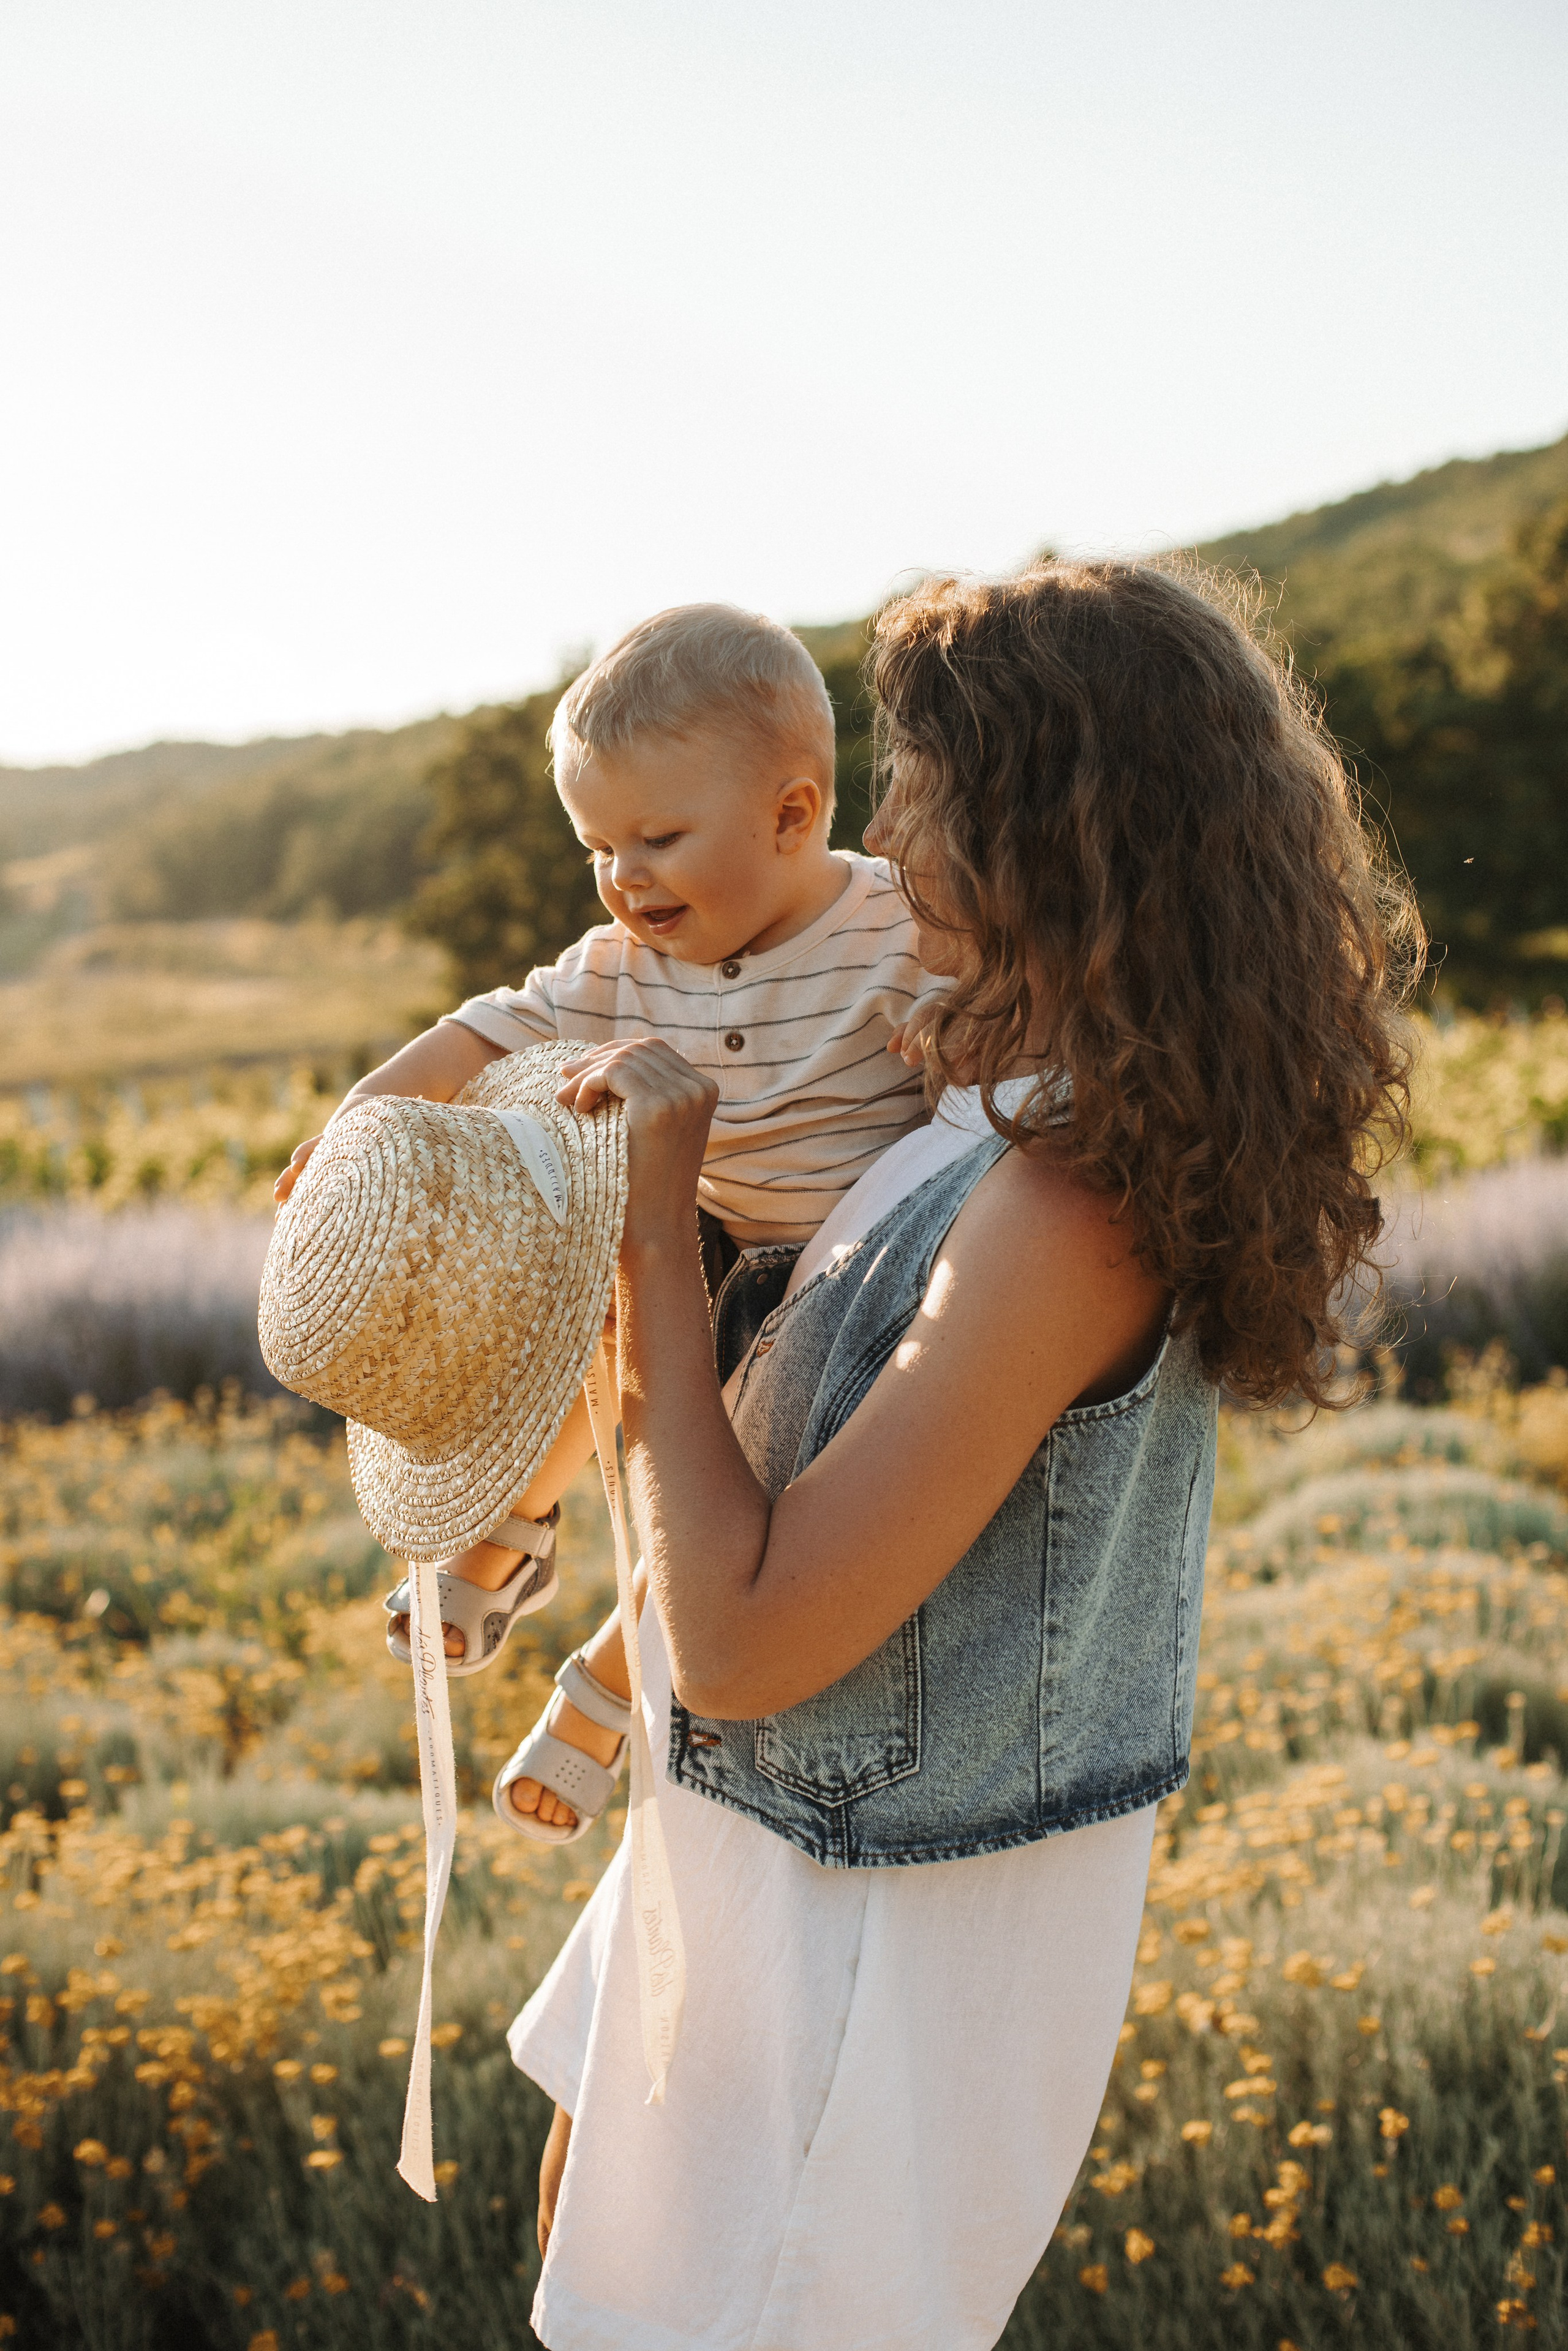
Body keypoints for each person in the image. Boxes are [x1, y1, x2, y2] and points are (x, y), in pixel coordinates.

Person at [505, 559, 1422, 2349]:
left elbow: (761, 1635)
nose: (882, 843)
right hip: (754, 1853)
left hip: (870, 1950)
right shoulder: (973, 1109)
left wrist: (652, 1251)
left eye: (919, 794)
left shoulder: (1071, 1207)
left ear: (1034, 831)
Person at [273, 604, 943, 1839]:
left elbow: (998, 1049)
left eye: (657, 838)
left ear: (792, 816)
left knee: (752, 1486)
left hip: (856, 1287)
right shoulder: (618, 968)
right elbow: (481, 1030)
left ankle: (605, 1682)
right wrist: (360, 1122)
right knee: (589, 1297)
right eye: (597, 845)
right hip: (704, 1244)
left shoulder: (899, 929)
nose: (623, 878)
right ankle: (516, 1511)